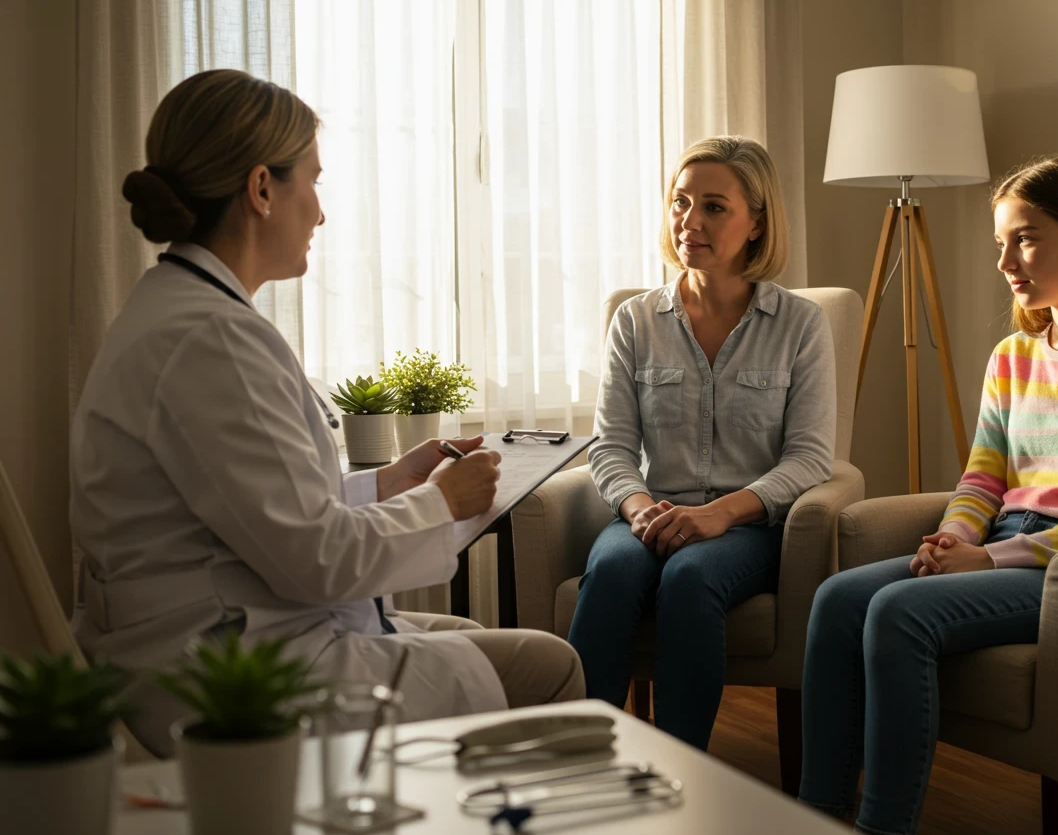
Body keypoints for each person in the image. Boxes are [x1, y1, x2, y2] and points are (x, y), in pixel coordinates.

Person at [71, 69, 583, 756]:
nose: (319, 211)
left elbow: (255, 513)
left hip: (232, 632)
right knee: (553, 668)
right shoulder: (212, 341)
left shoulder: (180, 311)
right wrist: (440, 502)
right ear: (260, 189)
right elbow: (315, 559)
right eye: (311, 181)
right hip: (232, 674)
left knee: (472, 644)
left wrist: (389, 482)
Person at [797, 155, 1058, 835]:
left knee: (897, 612)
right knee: (837, 597)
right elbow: (983, 481)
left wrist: (990, 557)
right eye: (1001, 244)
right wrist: (954, 540)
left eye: (1025, 238)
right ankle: (812, 824)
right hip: (999, 547)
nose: (1005, 262)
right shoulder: (1014, 355)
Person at [569, 135, 836, 750]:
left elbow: (811, 458)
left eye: (714, 206)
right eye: (680, 202)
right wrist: (639, 510)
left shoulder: (801, 325)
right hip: (652, 512)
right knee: (609, 573)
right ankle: (578, 760)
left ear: (756, 222)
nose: (690, 221)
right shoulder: (635, 321)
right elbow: (609, 445)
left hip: (746, 526)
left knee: (690, 579)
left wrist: (719, 514)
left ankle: (679, 771)